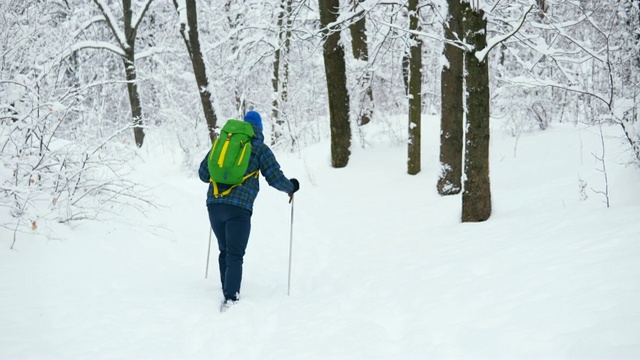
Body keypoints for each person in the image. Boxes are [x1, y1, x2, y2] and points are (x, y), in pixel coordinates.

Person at [198, 110, 299, 307]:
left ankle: (226, 288)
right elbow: (275, 178)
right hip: (239, 209)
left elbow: (203, 174)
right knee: (235, 254)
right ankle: (230, 299)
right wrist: (292, 187)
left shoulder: (223, 143)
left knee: (224, 250)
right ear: (259, 129)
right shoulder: (259, 147)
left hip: (214, 204)